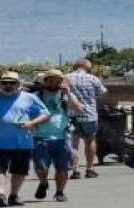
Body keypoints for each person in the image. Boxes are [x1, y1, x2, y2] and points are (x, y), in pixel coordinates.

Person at [0, 71, 50, 207]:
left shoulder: (29, 97)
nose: (8, 86)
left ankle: (13, 195)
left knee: (19, 171)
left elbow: (45, 114)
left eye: (12, 83)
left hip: (23, 142)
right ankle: (1, 193)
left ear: (18, 84)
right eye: (4, 83)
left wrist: (32, 123)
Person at [31, 70, 82, 203]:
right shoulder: (36, 96)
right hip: (39, 136)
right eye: (50, 80)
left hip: (61, 137)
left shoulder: (65, 96)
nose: (54, 84)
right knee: (41, 167)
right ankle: (43, 183)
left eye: (57, 81)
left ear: (61, 82)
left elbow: (78, 109)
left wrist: (68, 93)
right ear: (45, 81)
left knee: (62, 168)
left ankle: (59, 192)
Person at [66, 58, 107, 179]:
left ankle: (75, 170)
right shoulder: (93, 78)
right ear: (85, 65)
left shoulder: (65, 77)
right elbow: (102, 92)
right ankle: (90, 169)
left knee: (73, 143)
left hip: (70, 115)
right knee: (89, 141)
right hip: (89, 115)